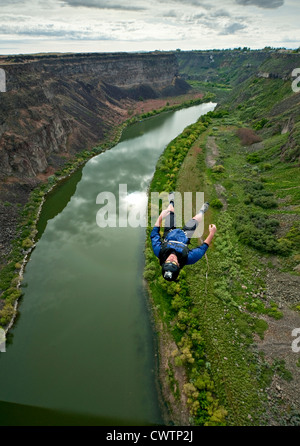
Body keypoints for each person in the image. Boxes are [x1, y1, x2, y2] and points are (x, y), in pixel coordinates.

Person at [150, 193, 217, 281]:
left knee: (170, 211)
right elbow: (202, 249)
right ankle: (202, 211)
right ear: (178, 265)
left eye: (168, 261)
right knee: (196, 219)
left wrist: (160, 217)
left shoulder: (159, 252)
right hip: (184, 236)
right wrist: (211, 234)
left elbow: (154, 234)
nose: (171, 258)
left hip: (170, 234)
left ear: (164, 262)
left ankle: (171, 202)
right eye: (174, 262)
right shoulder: (188, 258)